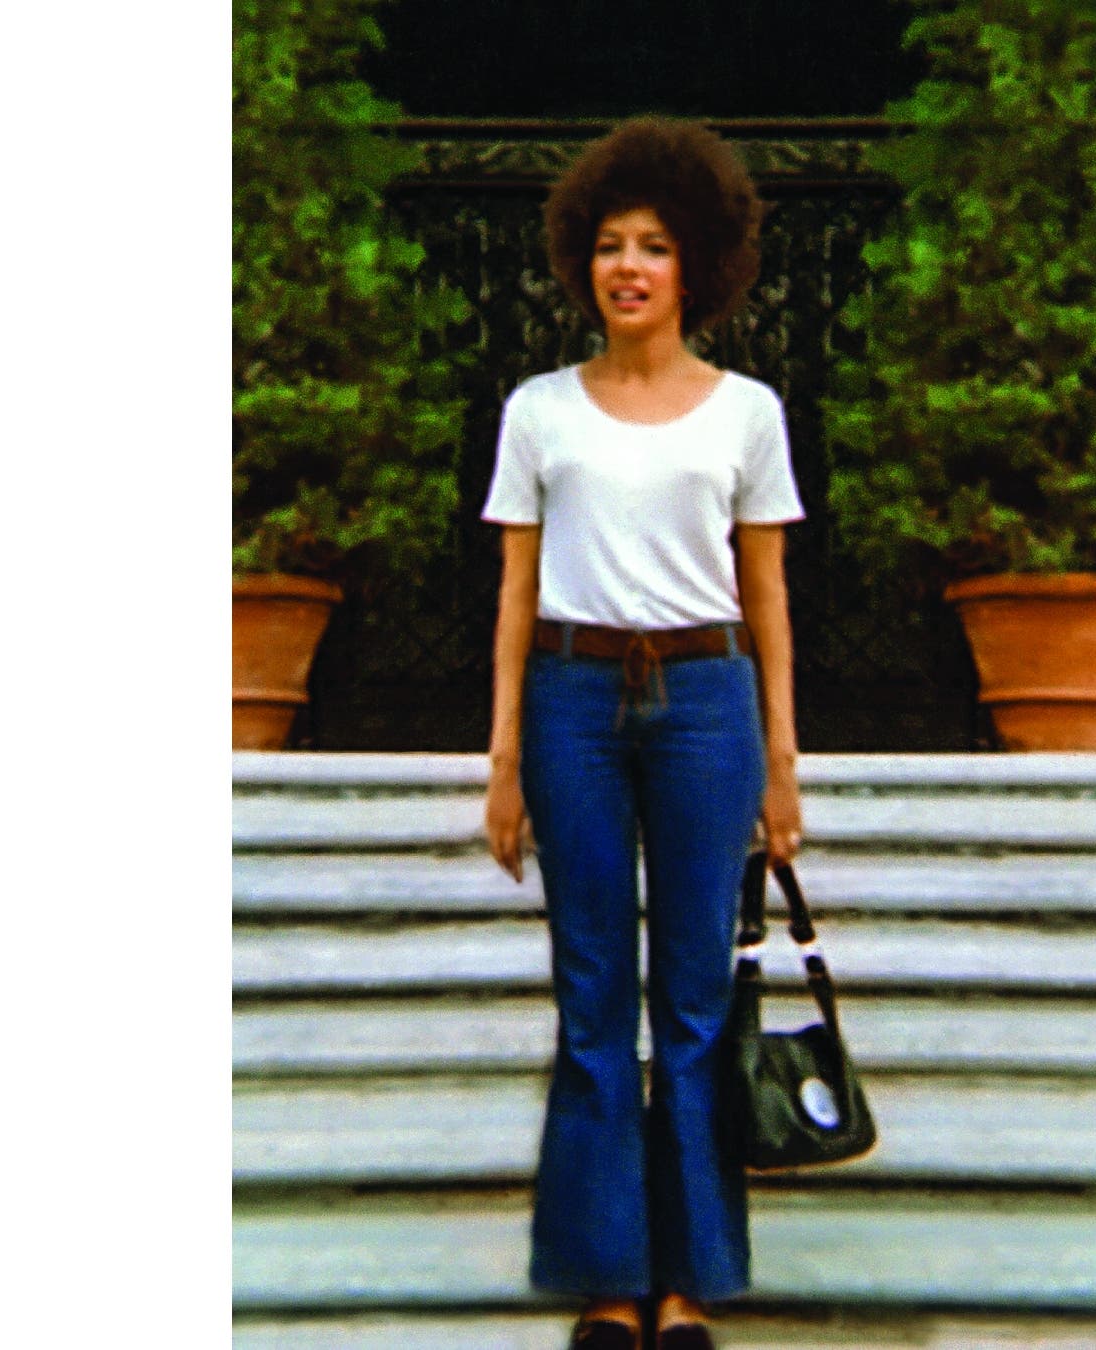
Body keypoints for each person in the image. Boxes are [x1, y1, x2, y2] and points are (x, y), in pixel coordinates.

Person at [478, 115, 805, 1350]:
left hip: (706, 709)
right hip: (572, 702)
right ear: (583, 261)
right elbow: (514, 591)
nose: (629, 266)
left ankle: (692, 1280)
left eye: (654, 247)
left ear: (695, 265)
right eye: (610, 245)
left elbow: (766, 593)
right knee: (592, 990)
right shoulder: (540, 412)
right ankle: (607, 1274)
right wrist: (505, 759)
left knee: (696, 1000)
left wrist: (780, 762)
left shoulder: (748, 414)